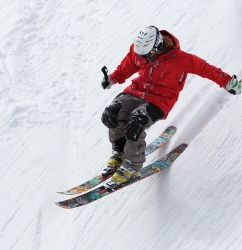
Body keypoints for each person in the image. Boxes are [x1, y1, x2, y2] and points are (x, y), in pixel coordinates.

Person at [101, 26, 241, 189]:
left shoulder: (181, 59)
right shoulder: (140, 51)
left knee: (135, 122)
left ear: (158, 45)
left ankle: (131, 165)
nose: (145, 58)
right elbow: (129, 64)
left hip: (160, 100)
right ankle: (120, 152)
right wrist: (113, 78)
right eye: (142, 55)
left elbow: (206, 69)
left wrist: (228, 82)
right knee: (111, 114)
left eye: (148, 54)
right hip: (136, 91)